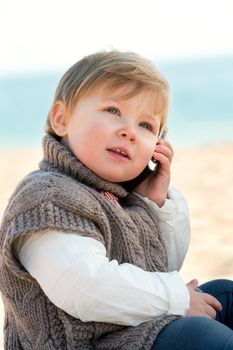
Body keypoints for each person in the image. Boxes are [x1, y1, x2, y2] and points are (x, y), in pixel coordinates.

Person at [0, 50, 232, 350]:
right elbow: (85, 288)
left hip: (129, 335)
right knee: (200, 337)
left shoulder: (122, 199)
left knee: (224, 296)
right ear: (61, 120)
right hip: (82, 345)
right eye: (113, 110)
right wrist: (177, 297)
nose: (129, 132)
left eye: (146, 126)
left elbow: (160, 270)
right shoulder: (47, 197)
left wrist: (154, 204)